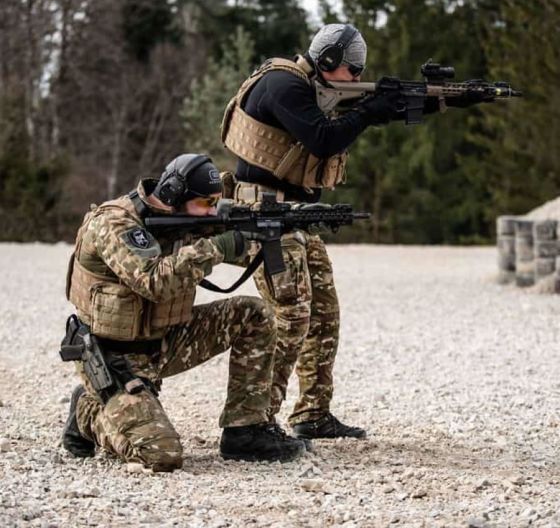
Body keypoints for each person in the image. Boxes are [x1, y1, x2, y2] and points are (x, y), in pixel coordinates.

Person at [221, 23, 487, 440]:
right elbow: (324, 138)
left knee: (324, 315)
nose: (355, 76)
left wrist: (447, 101)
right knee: (290, 317)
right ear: (327, 61)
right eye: (350, 68)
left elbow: (380, 110)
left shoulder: (313, 87)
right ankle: (252, 422)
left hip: (295, 216)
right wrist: (369, 111)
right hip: (265, 214)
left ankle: (312, 413)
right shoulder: (281, 85)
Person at [61, 153, 306, 471]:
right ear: (172, 196)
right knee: (160, 455)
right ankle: (87, 412)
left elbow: (232, 247)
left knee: (254, 314)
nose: (212, 210)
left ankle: (246, 431)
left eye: (215, 202)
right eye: (206, 202)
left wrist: (273, 232)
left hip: (163, 342)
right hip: (114, 359)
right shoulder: (114, 224)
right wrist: (219, 246)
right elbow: (154, 281)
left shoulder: (187, 219)